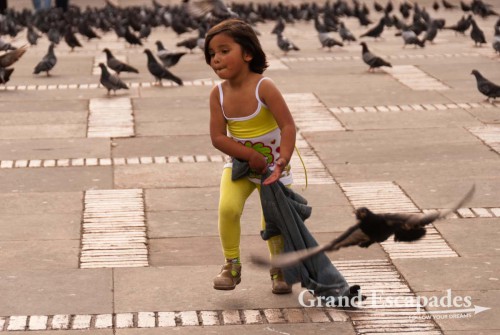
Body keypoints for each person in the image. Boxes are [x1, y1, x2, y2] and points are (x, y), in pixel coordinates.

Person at [204, 19, 297, 294]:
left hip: (275, 168)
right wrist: (248, 155)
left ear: (247, 53)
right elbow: (218, 137)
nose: (216, 59)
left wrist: (283, 159)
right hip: (241, 167)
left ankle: (279, 269)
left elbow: (288, 126)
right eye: (211, 54)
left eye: (223, 51)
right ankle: (231, 265)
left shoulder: (264, 87)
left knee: (274, 219)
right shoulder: (217, 94)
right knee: (228, 209)